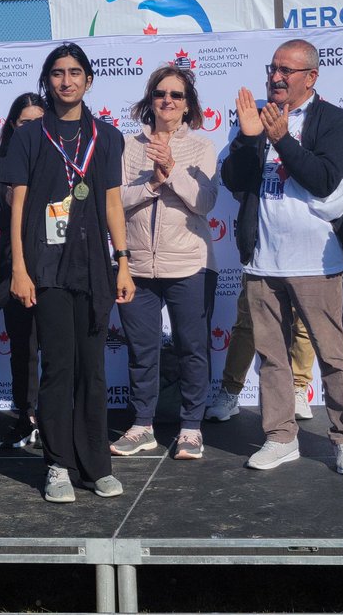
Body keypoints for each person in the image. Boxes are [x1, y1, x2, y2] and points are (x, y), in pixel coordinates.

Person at [221, 39, 343, 473]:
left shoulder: (334, 120)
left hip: (316, 261)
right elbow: (234, 181)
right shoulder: (257, 119)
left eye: (287, 70)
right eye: (273, 68)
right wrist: (248, 137)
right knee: (271, 356)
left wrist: (281, 139)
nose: (276, 77)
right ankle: (280, 436)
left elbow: (323, 179)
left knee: (332, 355)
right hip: (263, 260)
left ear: (311, 77)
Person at [4, 42, 134, 503]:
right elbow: (18, 208)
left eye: (75, 72)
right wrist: (19, 268)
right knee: (58, 368)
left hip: (94, 268)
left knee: (92, 371)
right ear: (48, 81)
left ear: (88, 80)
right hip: (47, 268)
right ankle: (57, 465)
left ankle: (96, 465)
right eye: (58, 73)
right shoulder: (29, 136)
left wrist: (123, 262)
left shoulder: (107, 137)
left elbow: (113, 204)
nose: (66, 80)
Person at [113, 64, 218, 461]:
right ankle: (142, 425)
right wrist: (153, 183)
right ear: (150, 100)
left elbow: (204, 202)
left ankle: (191, 428)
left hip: (189, 264)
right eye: (160, 93)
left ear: (188, 104)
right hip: (136, 265)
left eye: (176, 95)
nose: (167, 101)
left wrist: (172, 170)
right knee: (142, 351)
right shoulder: (127, 145)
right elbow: (114, 202)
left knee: (192, 348)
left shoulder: (201, 147)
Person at [0, 91, 46, 449]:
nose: (32, 128)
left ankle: (54, 417)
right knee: (23, 345)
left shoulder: (60, 159)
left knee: (56, 346)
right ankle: (27, 415)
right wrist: (12, 203)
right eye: (25, 122)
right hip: (14, 265)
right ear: (13, 125)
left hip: (54, 263)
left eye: (39, 121)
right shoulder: (2, 163)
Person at [204, 283, 316, 422]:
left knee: (301, 322)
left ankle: (298, 390)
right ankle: (230, 391)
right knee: (247, 323)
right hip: (260, 270)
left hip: (302, 271)